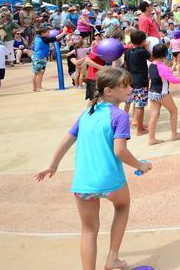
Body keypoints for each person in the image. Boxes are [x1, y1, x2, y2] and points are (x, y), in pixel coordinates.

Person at [35, 68, 152, 270]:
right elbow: (120, 151)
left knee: (88, 230)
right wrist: (140, 165)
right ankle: (112, 258)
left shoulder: (87, 113)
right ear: (109, 91)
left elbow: (67, 140)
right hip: (109, 180)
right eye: (125, 85)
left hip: (83, 183)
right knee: (122, 206)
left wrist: (52, 165)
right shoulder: (120, 116)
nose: (131, 89)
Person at [147, 43, 180, 145]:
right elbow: (173, 80)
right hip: (162, 93)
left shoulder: (151, 64)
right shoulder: (162, 67)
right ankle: (174, 134)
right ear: (165, 54)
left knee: (154, 115)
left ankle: (151, 139)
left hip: (152, 92)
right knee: (174, 111)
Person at [123, 30, 151, 136]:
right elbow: (152, 58)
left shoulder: (128, 52)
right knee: (140, 106)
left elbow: (126, 66)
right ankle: (139, 129)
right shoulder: (142, 51)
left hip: (130, 81)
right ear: (143, 41)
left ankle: (138, 124)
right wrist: (146, 47)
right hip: (141, 81)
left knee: (130, 103)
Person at [31, 26, 66, 92]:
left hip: (36, 56)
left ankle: (35, 87)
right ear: (42, 33)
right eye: (48, 32)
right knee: (40, 72)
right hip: (40, 57)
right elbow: (56, 38)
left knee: (36, 73)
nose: (49, 33)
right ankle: (39, 88)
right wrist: (63, 32)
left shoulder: (37, 38)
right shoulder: (44, 39)